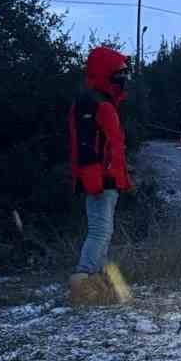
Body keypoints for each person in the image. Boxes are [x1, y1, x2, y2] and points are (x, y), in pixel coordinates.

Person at [67, 45, 132, 304]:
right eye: (119, 73)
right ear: (106, 73)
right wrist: (94, 178)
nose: (124, 78)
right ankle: (83, 281)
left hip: (106, 178)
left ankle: (97, 285)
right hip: (99, 179)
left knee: (104, 230)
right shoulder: (92, 102)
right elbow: (86, 145)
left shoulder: (101, 101)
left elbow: (110, 145)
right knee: (99, 231)